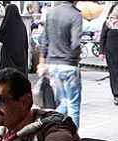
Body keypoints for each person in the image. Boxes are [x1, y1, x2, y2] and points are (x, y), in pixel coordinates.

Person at [39, 1, 83, 129]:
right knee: (73, 104)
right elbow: (75, 44)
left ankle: (49, 126)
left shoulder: (51, 13)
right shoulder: (75, 15)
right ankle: (73, 136)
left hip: (52, 64)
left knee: (63, 101)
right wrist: (75, 56)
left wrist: (42, 62)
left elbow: (44, 40)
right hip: (68, 64)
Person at [0, 4, 29, 75]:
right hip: (20, 56)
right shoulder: (22, 25)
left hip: (8, 56)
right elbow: (25, 43)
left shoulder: (7, 25)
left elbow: (0, 37)